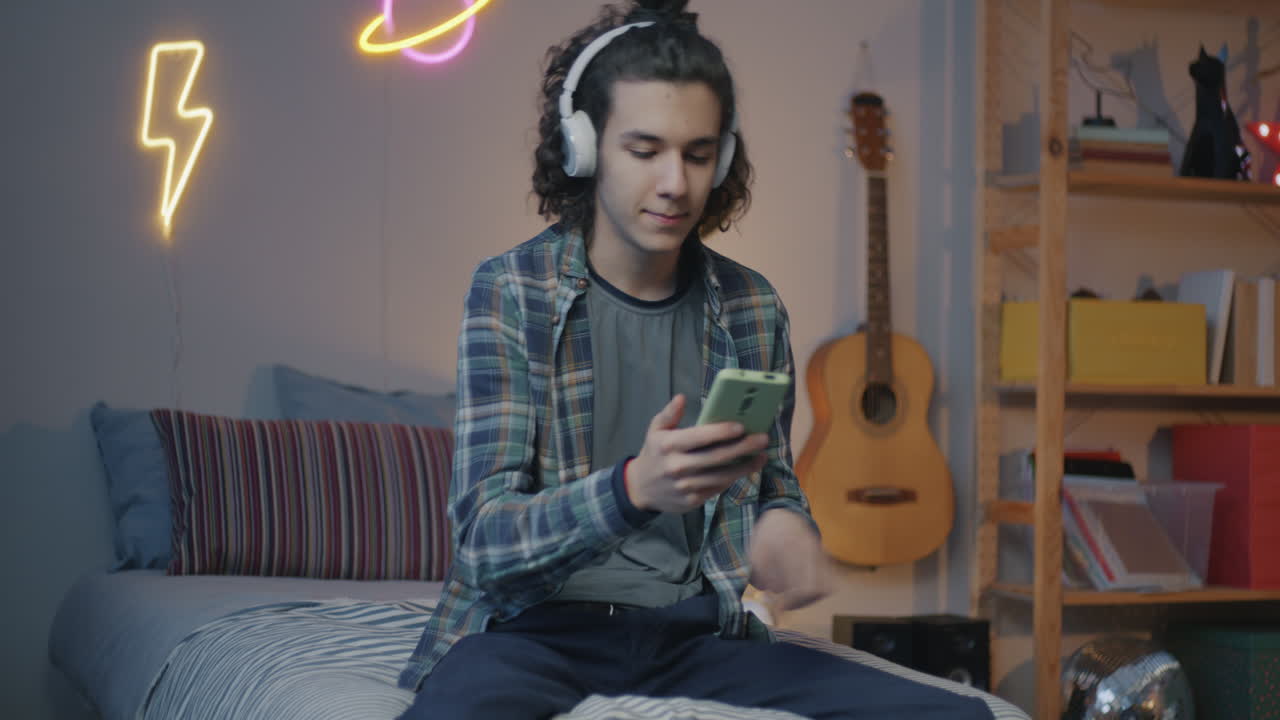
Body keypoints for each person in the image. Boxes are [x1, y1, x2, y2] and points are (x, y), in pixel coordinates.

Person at [398, 1, 993, 718]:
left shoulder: (753, 307)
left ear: (724, 158)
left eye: (698, 154)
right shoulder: (511, 292)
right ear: (584, 147)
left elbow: (774, 487)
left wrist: (786, 530)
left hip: (696, 638)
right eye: (645, 151)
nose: (676, 183)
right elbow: (485, 546)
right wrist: (633, 489)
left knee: (957, 714)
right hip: (531, 636)